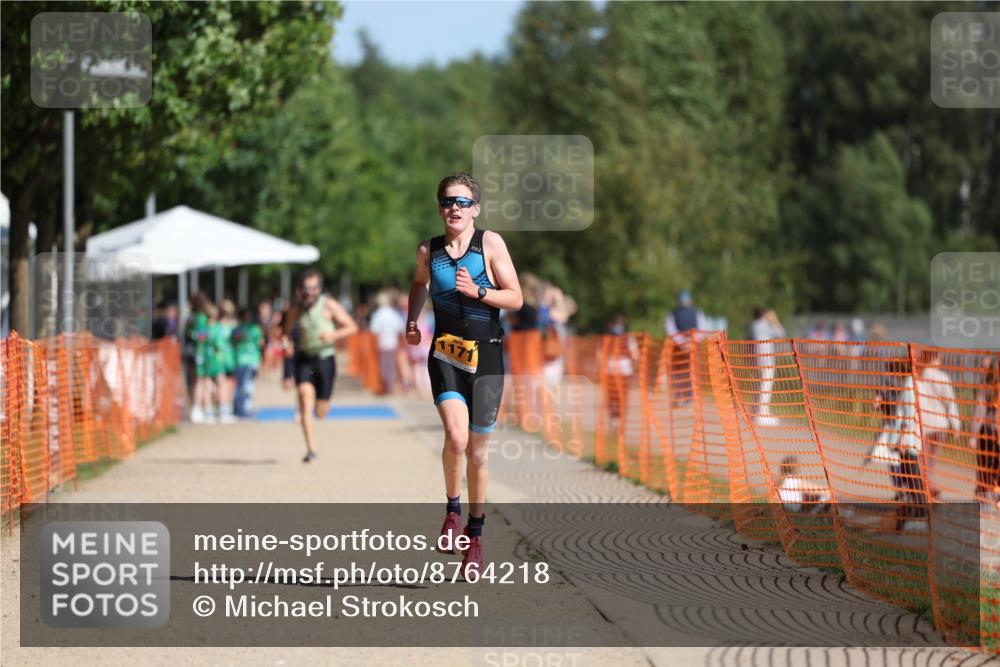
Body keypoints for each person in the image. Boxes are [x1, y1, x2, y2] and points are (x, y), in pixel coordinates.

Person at [405, 171, 523, 578]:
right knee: (456, 437)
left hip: (487, 358)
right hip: (446, 355)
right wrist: (412, 320)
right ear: (440, 208)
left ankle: (476, 536)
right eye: (447, 201)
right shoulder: (429, 250)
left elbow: (517, 297)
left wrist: (480, 292)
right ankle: (452, 513)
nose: (453, 207)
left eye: (461, 201)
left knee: (477, 452)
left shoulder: (489, 244)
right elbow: (419, 283)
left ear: (475, 208)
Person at [281, 269, 358, 462]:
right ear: (300, 289)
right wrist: (287, 344)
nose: (310, 292)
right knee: (304, 398)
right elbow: (286, 332)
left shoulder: (328, 305)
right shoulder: (295, 308)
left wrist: (332, 335)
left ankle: (316, 407)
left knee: (320, 412)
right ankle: (311, 450)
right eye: (307, 288)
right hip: (305, 358)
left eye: (314, 288)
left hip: (325, 360)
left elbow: (352, 327)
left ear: (319, 289)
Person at [915, 349, 961, 499]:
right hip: (941, 425)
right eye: (939, 358)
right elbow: (950, 402)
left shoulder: (918, 375)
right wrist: (955, 424)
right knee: (930, 461)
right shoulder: (943, 377)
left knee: (923, 461)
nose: (940, 361)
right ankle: (930, 487)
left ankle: (928, 488)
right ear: (933, 359)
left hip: (925, 425)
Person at [749, 307, 786, 426]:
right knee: (765, 387)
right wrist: (774, 320)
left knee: (757, 387)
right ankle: (761, 415)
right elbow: (781, 333)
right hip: (767, 360)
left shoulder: (754, 325)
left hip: (757, 359)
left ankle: (755, 413)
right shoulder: (764, 325)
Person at [971, 356, 1000, 506]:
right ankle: (982, 495)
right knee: (986, 465)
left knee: (993, 466)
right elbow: (980, 410)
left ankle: (991, 495)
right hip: (989, 431)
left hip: (993, 432)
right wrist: (974, 434)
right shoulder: (987, 387)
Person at [369, 289, 406, 395]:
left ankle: (386, 387)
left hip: (382, 344)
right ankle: (391, 386)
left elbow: (374, 330)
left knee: (384, 366)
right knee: (391, 366)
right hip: (393, 343)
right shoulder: (393, 313)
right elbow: (400, 329)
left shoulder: (378, 314)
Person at [232, 306, 265, 418]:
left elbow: (260, 344)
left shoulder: (251, 329)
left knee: (246, 384)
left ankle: (243, 407)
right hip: (243, 361)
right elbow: (261, 343)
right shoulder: (243, 329)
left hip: (250, 361)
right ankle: (241, 407)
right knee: (244, 385)